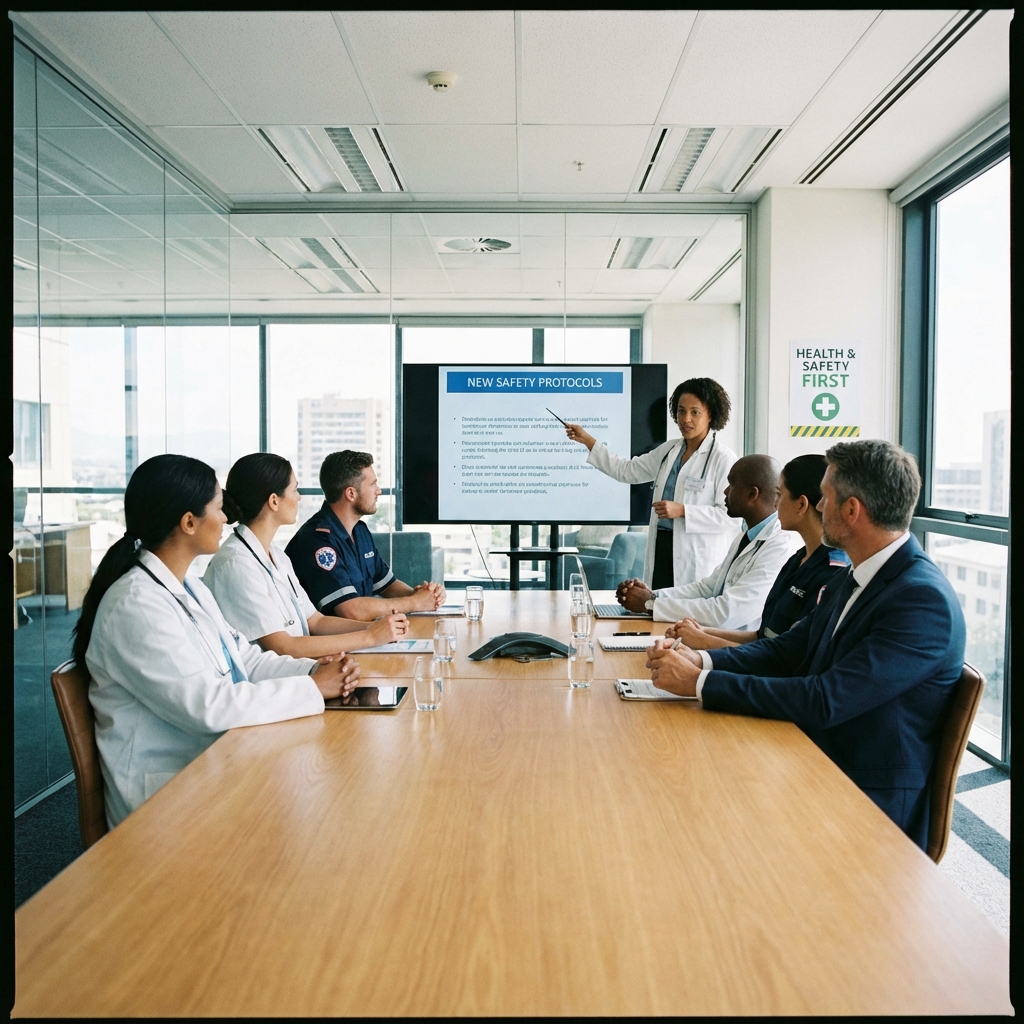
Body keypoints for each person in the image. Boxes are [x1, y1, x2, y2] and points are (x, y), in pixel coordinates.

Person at [645, 440, 965, 850]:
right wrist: (701, 659)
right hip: (815, 754)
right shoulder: (859, 573)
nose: (817, 507)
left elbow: (826, 699)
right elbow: (785, 651)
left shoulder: (921, 601)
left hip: (863, 798)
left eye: (825, 498)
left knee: (696, 815)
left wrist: (698, 684)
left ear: (851, 511)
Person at [75, 454, 359, 829]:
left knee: (330, 794)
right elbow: (211, 706)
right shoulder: (135, 606)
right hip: (166, 802)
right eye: (218, 508)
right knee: (323, 810)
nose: (226, 518)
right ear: (189, 522)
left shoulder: (189, 586)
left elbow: (245, 659)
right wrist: (310, 688)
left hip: (213, 764)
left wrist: (314, 669)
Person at [204, 453, 410, 659]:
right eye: (294, 489)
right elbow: (284, 647)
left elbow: (316, 622)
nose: (299, 497)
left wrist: (375, 628)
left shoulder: (277, 556)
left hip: (301, 674)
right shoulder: (236, 564)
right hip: (274, 683)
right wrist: (370, 637)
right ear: (274, 501)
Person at [564, 377, 738, 589]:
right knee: (657, 613)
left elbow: (730, 517)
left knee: (687, 618)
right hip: (661, 549)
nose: (686, 419)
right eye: (681, 411)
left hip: (695, 559)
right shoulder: (669, 451)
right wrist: (588, 441)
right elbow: (627, 471)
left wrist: (683, 511)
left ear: (711, 414)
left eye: (695, 412)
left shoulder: (723, 459)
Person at [667, 454, 850, 649]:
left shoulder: (831, 573)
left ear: (801, 504)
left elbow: (788, 660)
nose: (775, 503)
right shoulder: (797, 560)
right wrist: (702, 632)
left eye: (780, 495)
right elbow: (765, 636)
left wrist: (706, 643)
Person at [614, 455, 793, 630]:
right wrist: (652, 596)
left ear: (752, 494)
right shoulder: (747, 536)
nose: (725, 491)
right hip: (715, 640)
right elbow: (707, 588)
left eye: (731, 485)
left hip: (736, 649)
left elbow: (724, 613)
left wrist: (650, 604)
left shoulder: (778, 548)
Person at [287, 450, 446, 621]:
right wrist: (414, 603)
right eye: (373, 485)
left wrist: (424, 596)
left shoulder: (360, 531)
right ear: (351, 494)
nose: (379, 491)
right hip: (333, 644)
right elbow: (351, 610)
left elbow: (387, 585)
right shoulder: (317, 541)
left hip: (363, 638)